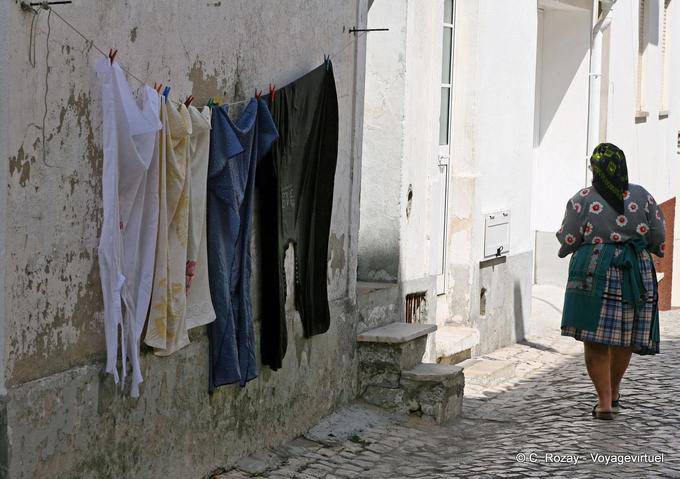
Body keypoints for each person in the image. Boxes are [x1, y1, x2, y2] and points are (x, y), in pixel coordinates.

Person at [556, 143, 666, 420]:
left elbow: (569, 237)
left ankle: (604, 401)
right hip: (634, 271)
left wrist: (572, 246)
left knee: (595, 339)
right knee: (623, 337)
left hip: (594, 270)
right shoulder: (642, 197)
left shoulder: (582, 199)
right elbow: (658, 235)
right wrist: (649, 248)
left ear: (595, 170)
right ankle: (615, 390)